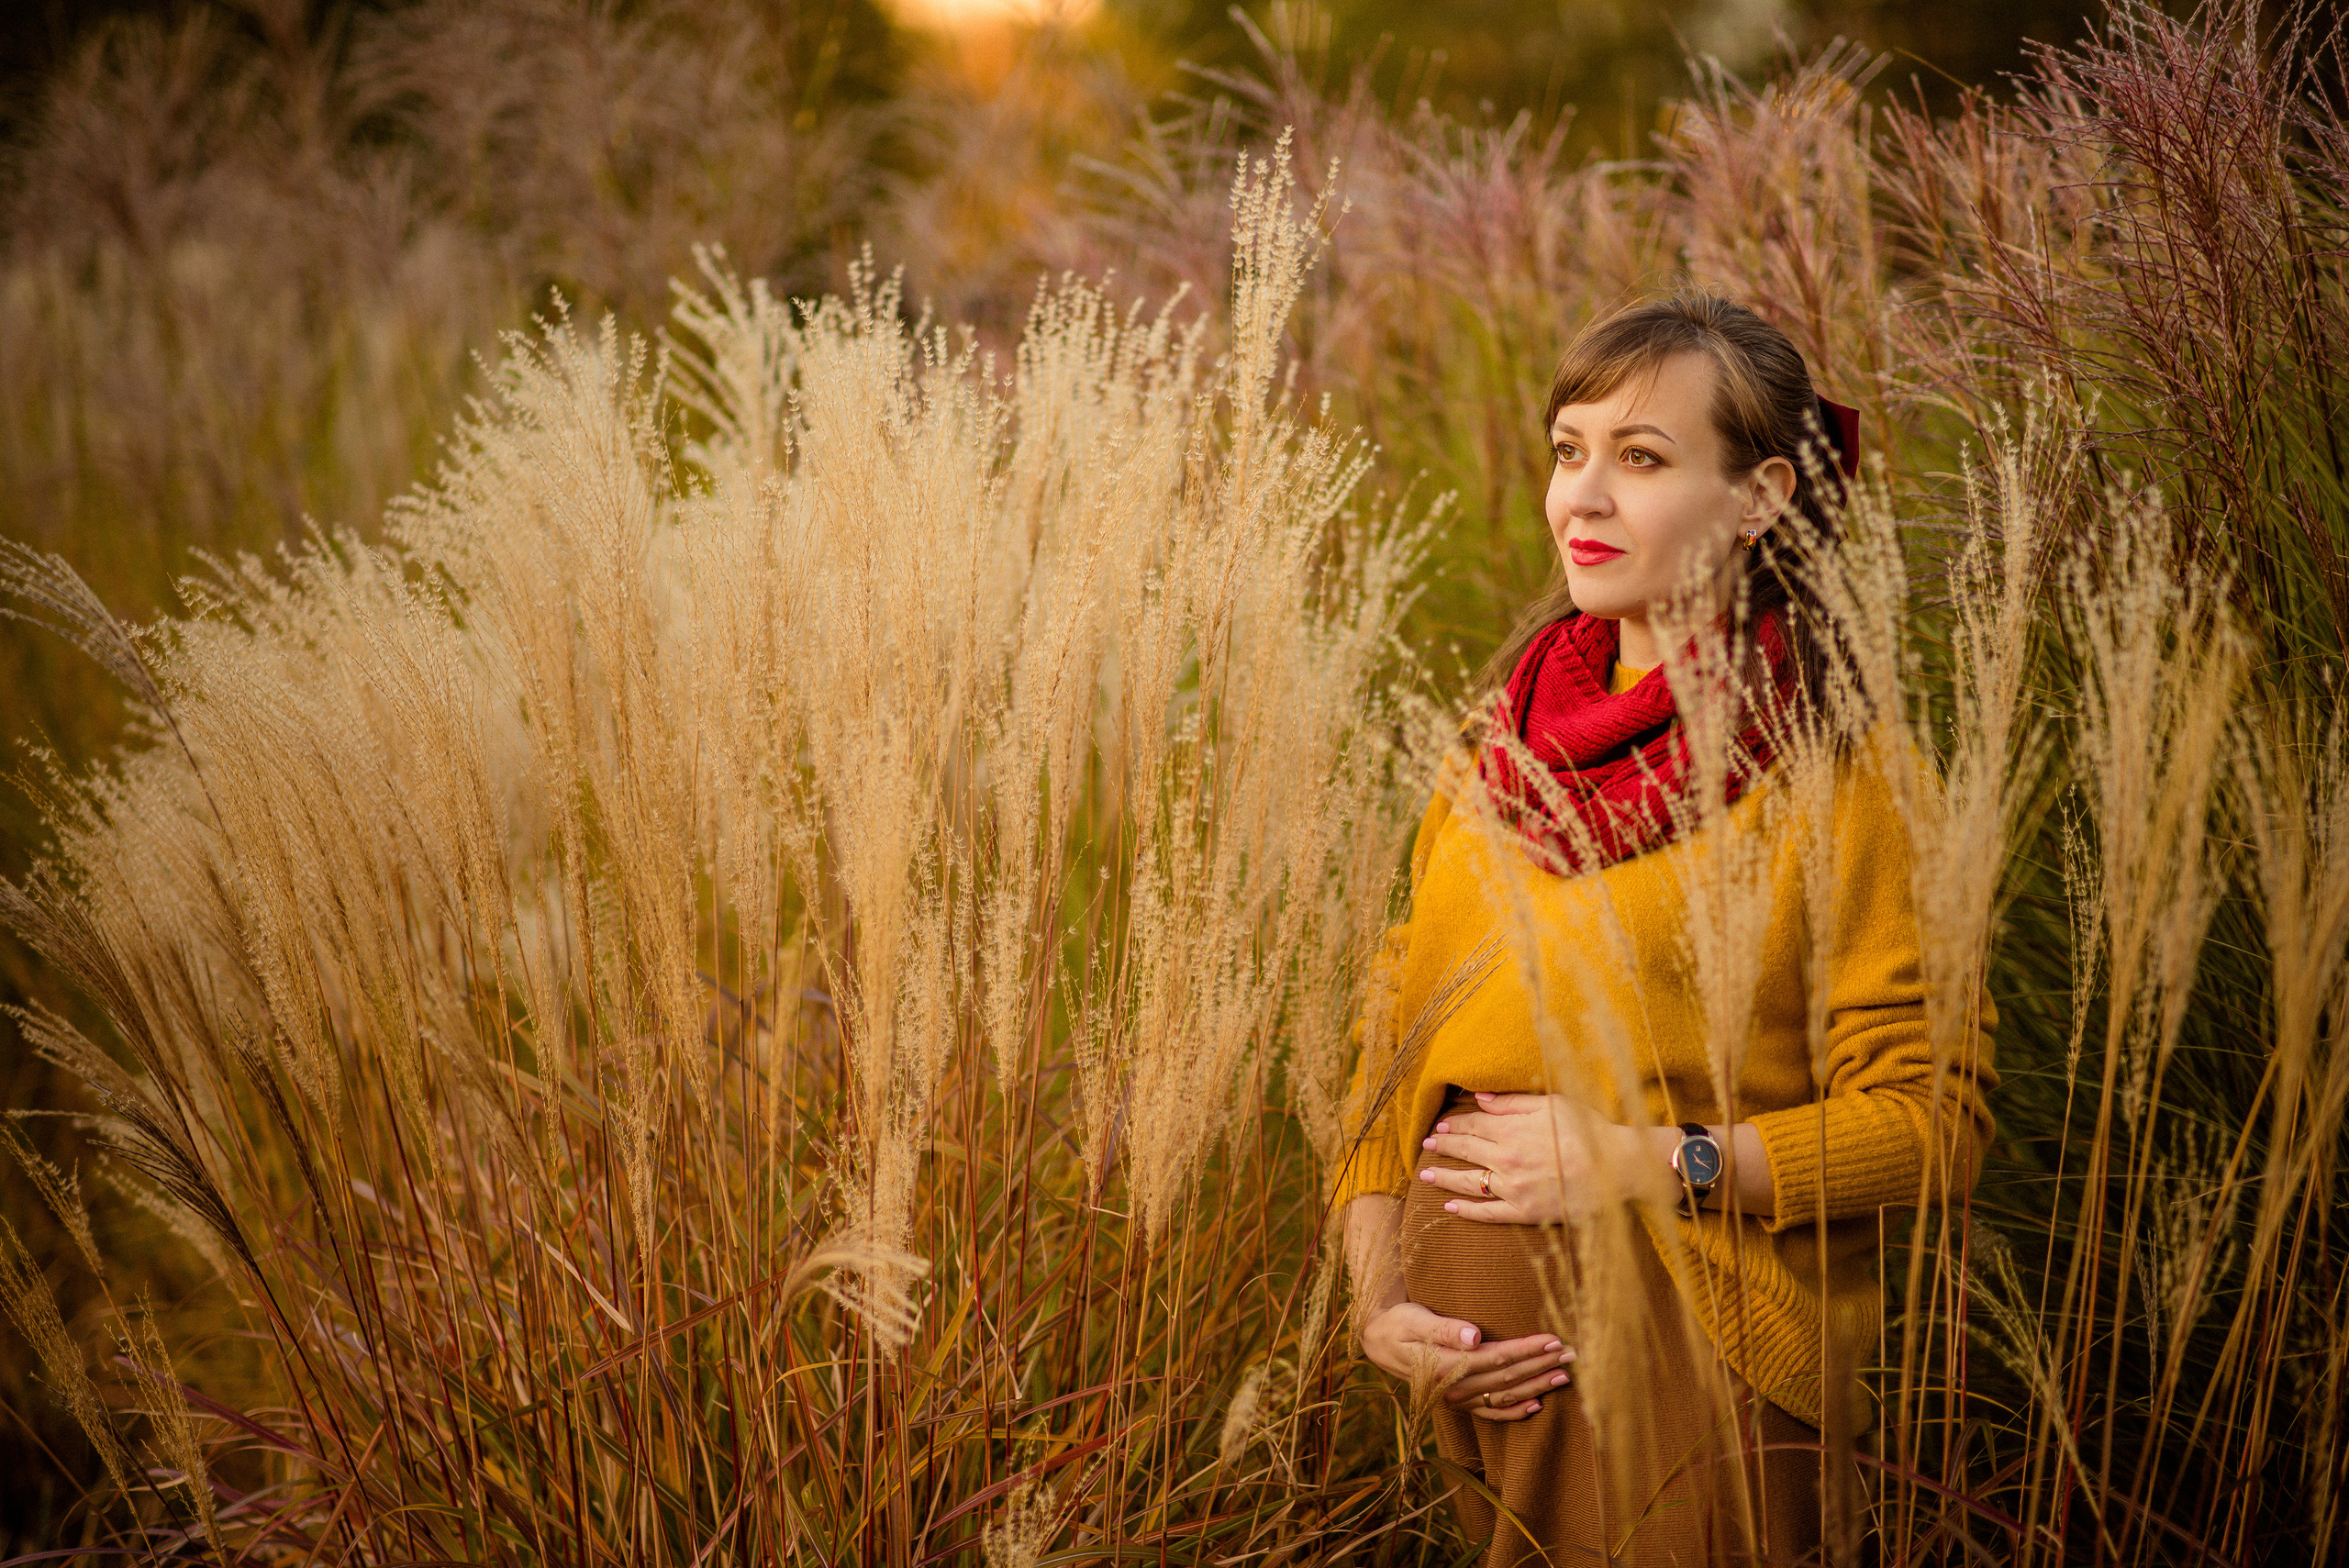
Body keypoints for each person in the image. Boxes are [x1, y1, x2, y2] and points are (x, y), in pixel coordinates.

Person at [1335, 294, 1997, 1565]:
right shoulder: (1498, 744)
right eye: (1567, 448)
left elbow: (1933, 1123)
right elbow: (1391, 1041)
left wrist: (1646, 1160)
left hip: (1696, 1370)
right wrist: (1380, 1303)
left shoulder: (1842, 772)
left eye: (1640, 459)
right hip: (1469, 1382)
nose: (1581, 496)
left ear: (1759, 497)